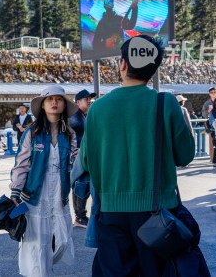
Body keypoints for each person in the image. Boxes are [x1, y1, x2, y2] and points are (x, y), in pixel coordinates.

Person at [82, 35, 195, 276]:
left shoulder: (97, 108)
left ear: (122, 64)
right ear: (154, 68)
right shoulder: (166, 103)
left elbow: (86, 161)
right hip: (158, 215)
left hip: (111, 214)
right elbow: (185, 156)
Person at [10, 85, 77, 276]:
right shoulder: (32, 133)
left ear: (64, 104)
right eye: (50, 99)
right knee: (38, 246)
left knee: (63, 241)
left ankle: (45, 266)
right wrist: (16, 190)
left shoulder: (69, 134)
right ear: (43, 105)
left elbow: (73, 163)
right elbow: (22, 164)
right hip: (35, 197)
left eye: (59, 99)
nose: (54, 103)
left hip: (60, 195)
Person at [70, 89, 94, 228]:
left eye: (90, 98)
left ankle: (81, 215)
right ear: (78, 102)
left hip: (82, 155)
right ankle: (80, 216)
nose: (89, 100)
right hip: (78, 157)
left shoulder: (82, 115)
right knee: (81, 184)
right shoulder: (75, 116)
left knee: (82, 184)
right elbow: (67, 132)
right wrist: (73, 150)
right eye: (86, 99)